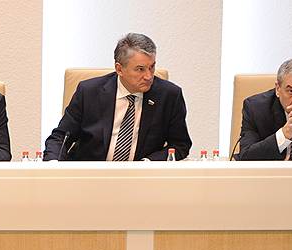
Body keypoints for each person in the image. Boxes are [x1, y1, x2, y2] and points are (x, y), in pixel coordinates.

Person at [44, 33, 191, 161]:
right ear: (119, 69)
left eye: (152, 67)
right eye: (140, 69)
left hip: (142, 177)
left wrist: (147, 164)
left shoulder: (169, 95)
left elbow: (180, 145)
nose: (148, 76)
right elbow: (60, 137)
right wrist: (53, 167)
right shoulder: (89, 92)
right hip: (91, 176)